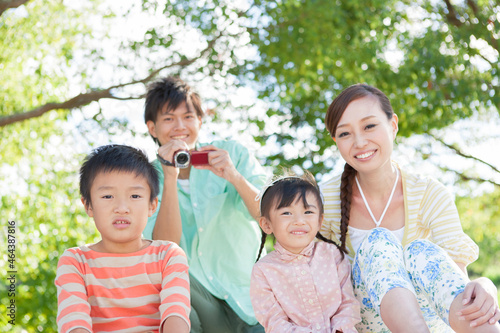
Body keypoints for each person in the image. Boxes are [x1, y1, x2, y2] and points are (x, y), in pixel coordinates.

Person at [320, 83, 500, 333]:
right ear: (336, 141)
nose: (360, 141)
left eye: (369, 126)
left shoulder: (428, 192)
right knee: (378, 242)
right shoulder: (322, 201)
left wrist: (485, 288)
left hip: (432, 321)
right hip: (362, 323)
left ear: (393, 125)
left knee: (420, 250)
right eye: (345, 133)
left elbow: (455, 279)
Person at [143, 76, 267, 333]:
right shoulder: (145, 179)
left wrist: (234, 176)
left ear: (200, 121)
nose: (180, 126)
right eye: (168, 119)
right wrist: (170, 175)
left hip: (253, 297)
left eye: (188, 117)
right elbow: (164, 247)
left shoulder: (232, 154)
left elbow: (270, 218)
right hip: (199, 309)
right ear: (152, 128)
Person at [55, 144, 190, 333]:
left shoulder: (168, 255)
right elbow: (74, 322)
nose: (121, 207)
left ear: (152, 205)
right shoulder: (75, 261)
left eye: (135, 195)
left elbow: (176, 314)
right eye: (107, 196)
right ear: (88, 205)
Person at [250, 171, 361, 332]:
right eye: (286, 213)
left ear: (319, 221)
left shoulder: (333, 255)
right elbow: (274, 321)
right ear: (267, 224)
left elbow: (348, 303)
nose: (299, 221)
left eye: (308, 212)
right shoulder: (263, 271)